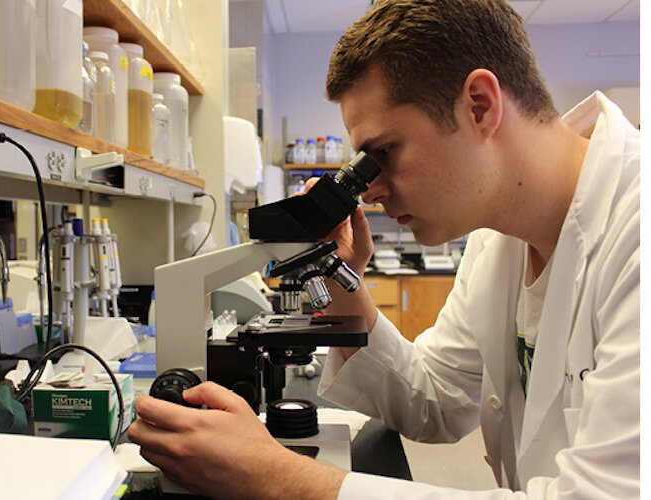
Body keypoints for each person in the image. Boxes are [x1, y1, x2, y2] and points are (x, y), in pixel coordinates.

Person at [128, 0, 640, 497]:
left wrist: (273, 476)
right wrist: (342, 283)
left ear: (479, 105)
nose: (369, 188)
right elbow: (435, 400)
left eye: (383, 153)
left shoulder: (634, 235)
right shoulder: (498, 240)